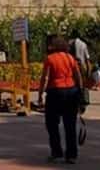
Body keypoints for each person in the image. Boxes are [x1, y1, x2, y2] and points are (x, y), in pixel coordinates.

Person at [38, 36, 83, 164]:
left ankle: (56, 152)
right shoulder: (70, 57)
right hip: (71, 91)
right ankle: (71, 155)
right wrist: (80, 90)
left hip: (55, 92)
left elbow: (45, 78)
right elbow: (77, 75)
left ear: (53, 46)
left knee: (52, 124)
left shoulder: (50, 59)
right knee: (70, 125)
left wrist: (40, 94)